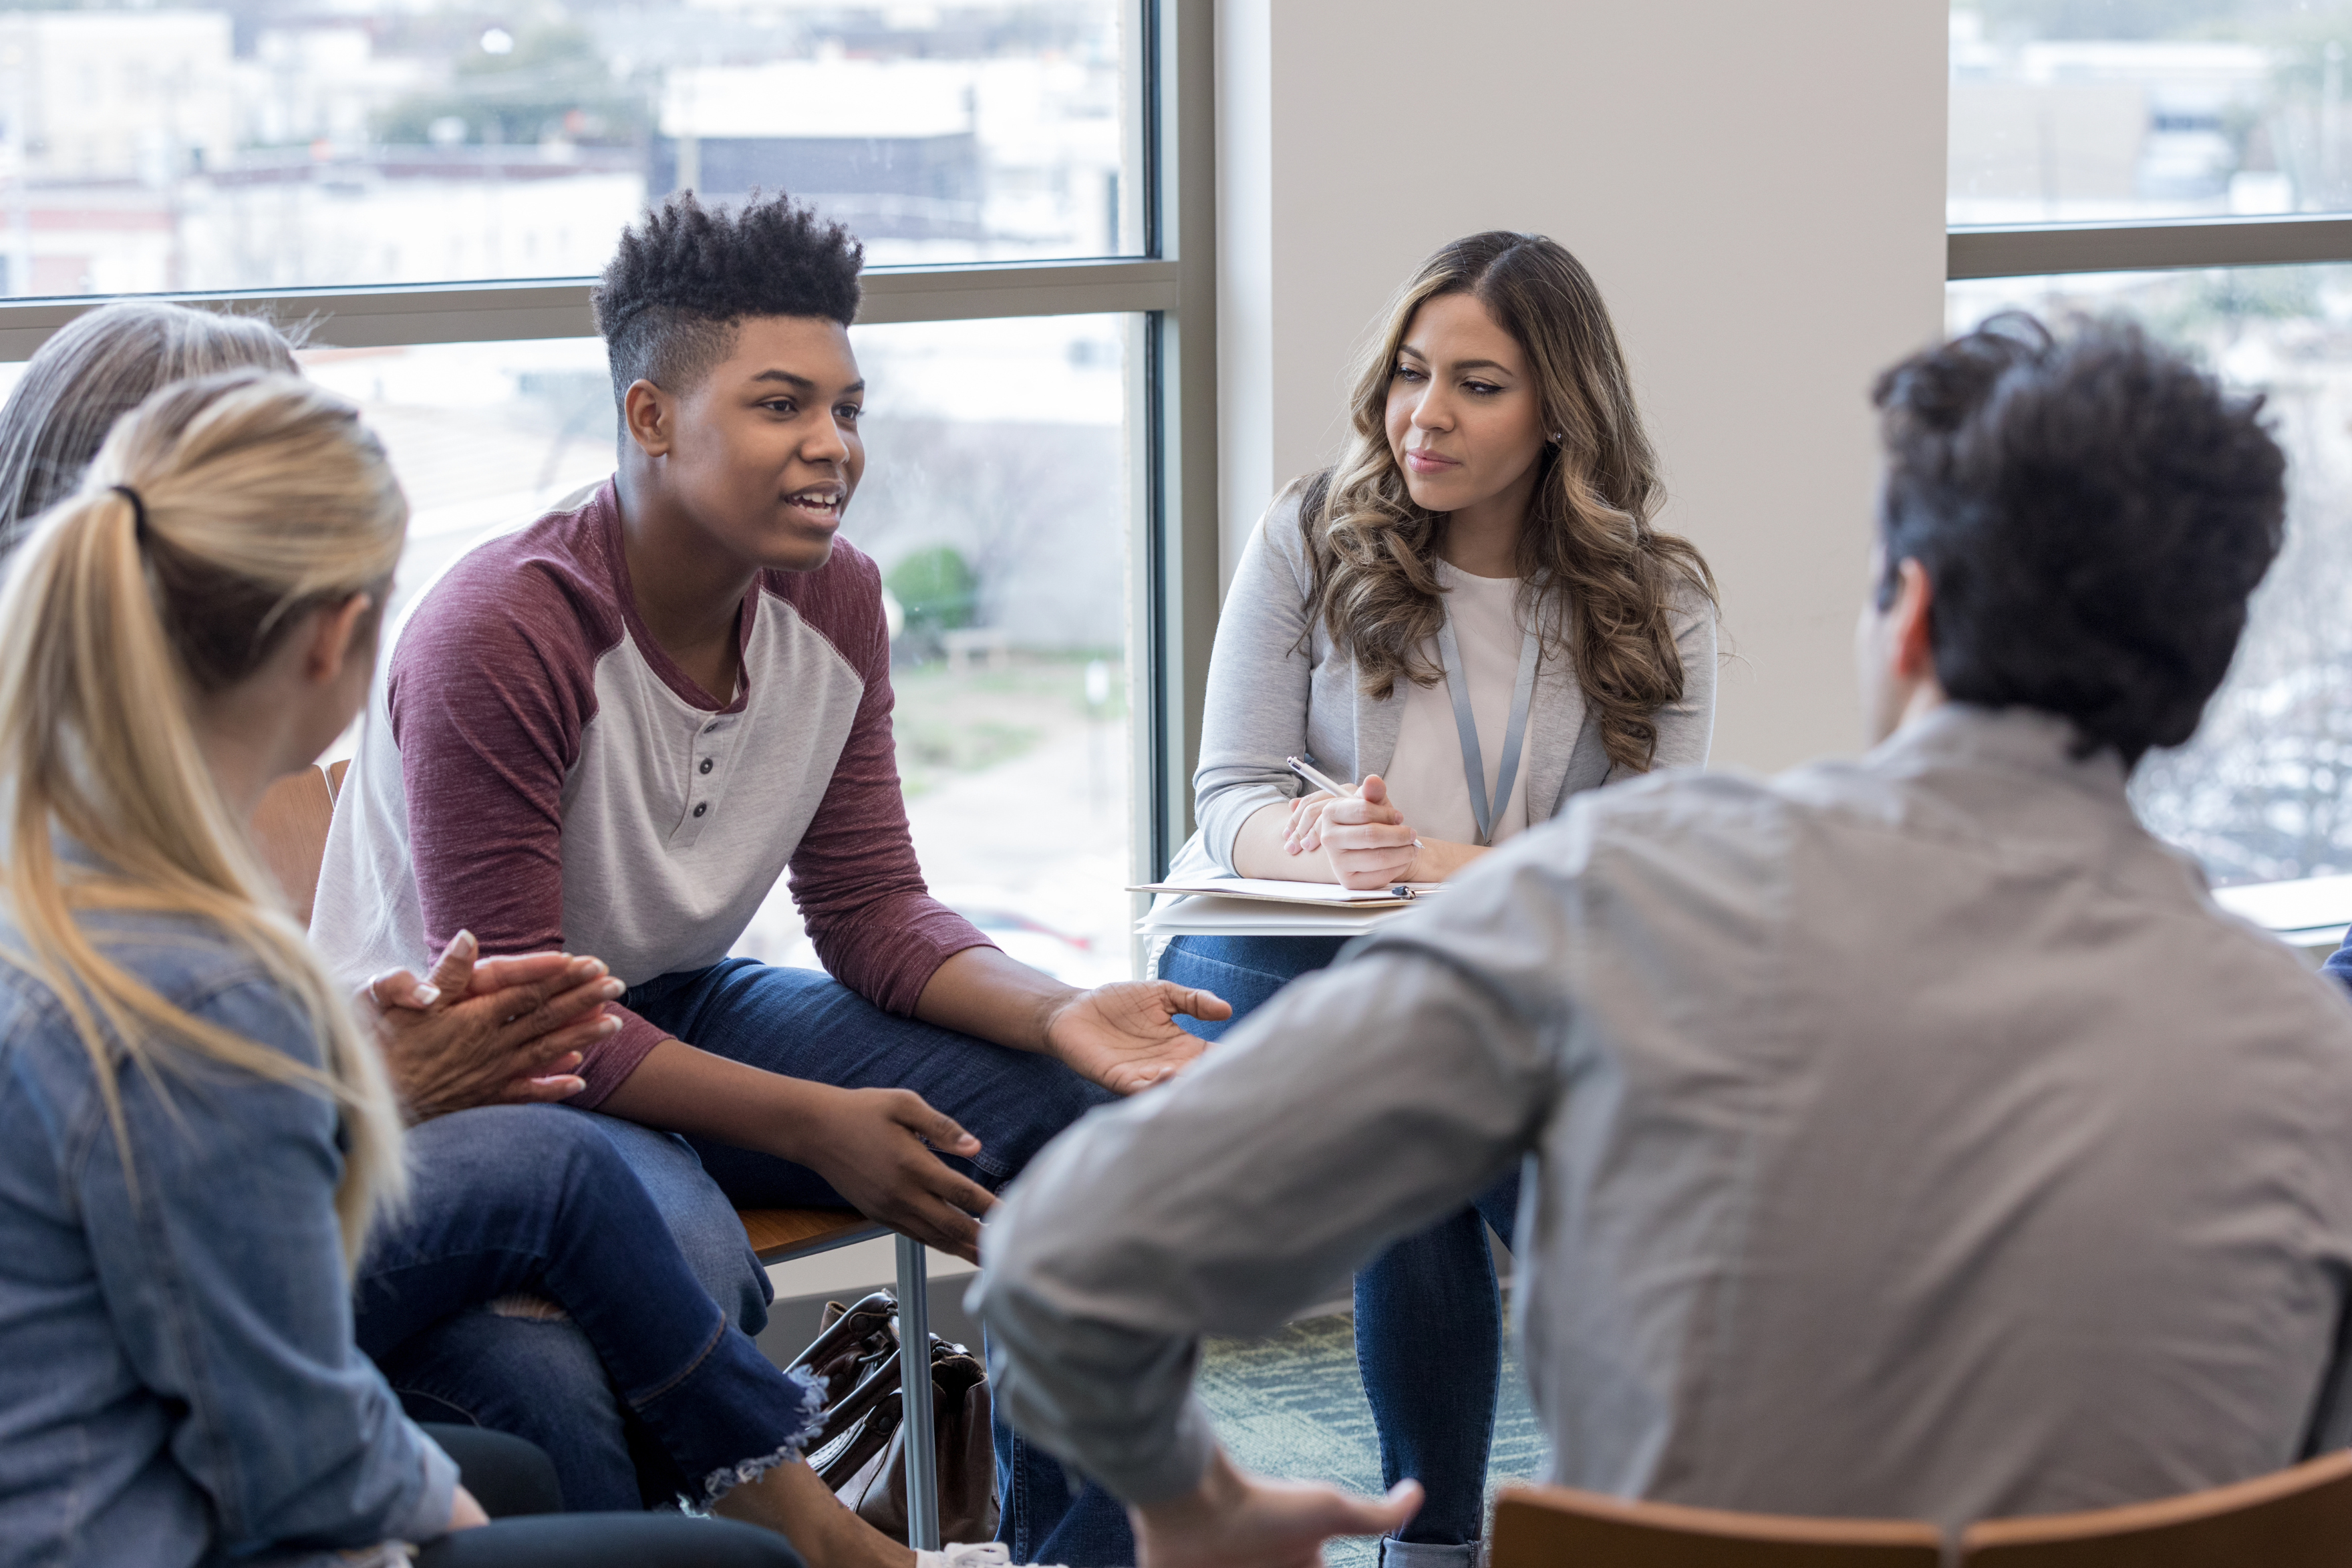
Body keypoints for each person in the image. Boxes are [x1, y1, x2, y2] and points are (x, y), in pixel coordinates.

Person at [974, 313, 2352, 1563]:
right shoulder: (2310, 1055)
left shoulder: (1621, 898)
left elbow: (1064, 1270)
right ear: (2198, 674)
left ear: (1910, 612)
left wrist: (1195, 1502)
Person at [307, 188, 1227, 1563]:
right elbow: (527, 1028)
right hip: (472, 1077)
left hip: (678, 1000)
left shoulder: (836, 599)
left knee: (1080, 1126)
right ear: (650, 416)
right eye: (781, 405)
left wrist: (1055, 1013)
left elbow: (867, 910)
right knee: (670, 1270)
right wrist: (811, 1121)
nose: (832, 447)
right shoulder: (502, 632)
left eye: (846, 408)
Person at [0, 368, 818, 1567]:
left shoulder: (77, 853)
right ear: (339, 636)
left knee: (542, 1322)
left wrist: (328, 1062)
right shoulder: (200, 975)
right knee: (718, 1555)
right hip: (125, 1521)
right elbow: (283, 1448)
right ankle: (793, 1530)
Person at [1155, 230, 1716, 1568]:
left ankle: (1491, 1532)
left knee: (1447, 1096)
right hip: (1278, 953)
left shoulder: (1656, 599)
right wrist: (1315, 842)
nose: (1425, 414)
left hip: (1496, 967)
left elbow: (1630, 867)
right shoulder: (1308, 532)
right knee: (1415, 1069)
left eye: (1477, 383)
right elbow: (1225, 796)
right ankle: (1497, 1523)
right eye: (1411, 372)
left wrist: (1439, 875)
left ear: (1558, 412)